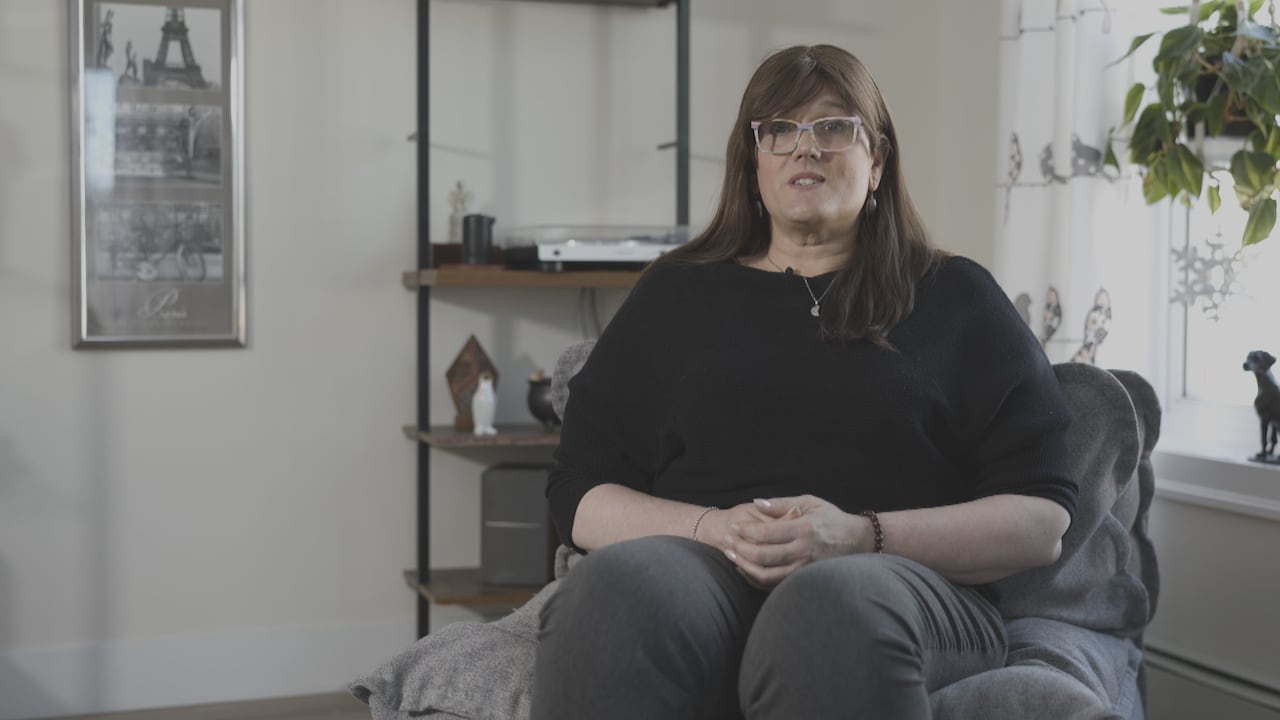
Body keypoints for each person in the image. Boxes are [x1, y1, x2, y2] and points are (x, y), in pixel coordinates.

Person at [531, 44, 1076, 720]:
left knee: (829, 607)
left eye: (833, 128)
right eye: (780, 130)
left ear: (876, 160)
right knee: (616, 591)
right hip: (706, 569)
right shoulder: (674, 294)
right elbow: (579, 491)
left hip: (898, 586)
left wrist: (858, 535)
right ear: (752, 163)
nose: (804, 149)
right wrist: (716, 529)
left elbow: (1040, 519)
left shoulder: (955, 295)